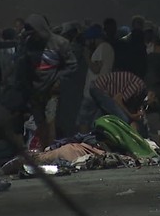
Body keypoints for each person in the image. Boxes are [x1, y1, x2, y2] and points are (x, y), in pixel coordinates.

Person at [22, 14, 78, 149]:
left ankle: (50, 150)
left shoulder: (59, 43)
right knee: (39, 123)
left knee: (50, 121)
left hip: (52, 89)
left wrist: (59, 80)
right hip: (34, 90)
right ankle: (44, 150)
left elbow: (72, 65)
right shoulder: (28, 43)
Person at [77, 23, 114, 131]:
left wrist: (86, 57)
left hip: (93, 92)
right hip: (99, 90)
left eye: (89, 40)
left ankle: (83, 143)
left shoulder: (102, 48)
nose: (87, 43)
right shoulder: (107, 48)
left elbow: (96, 68)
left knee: (83, 121)